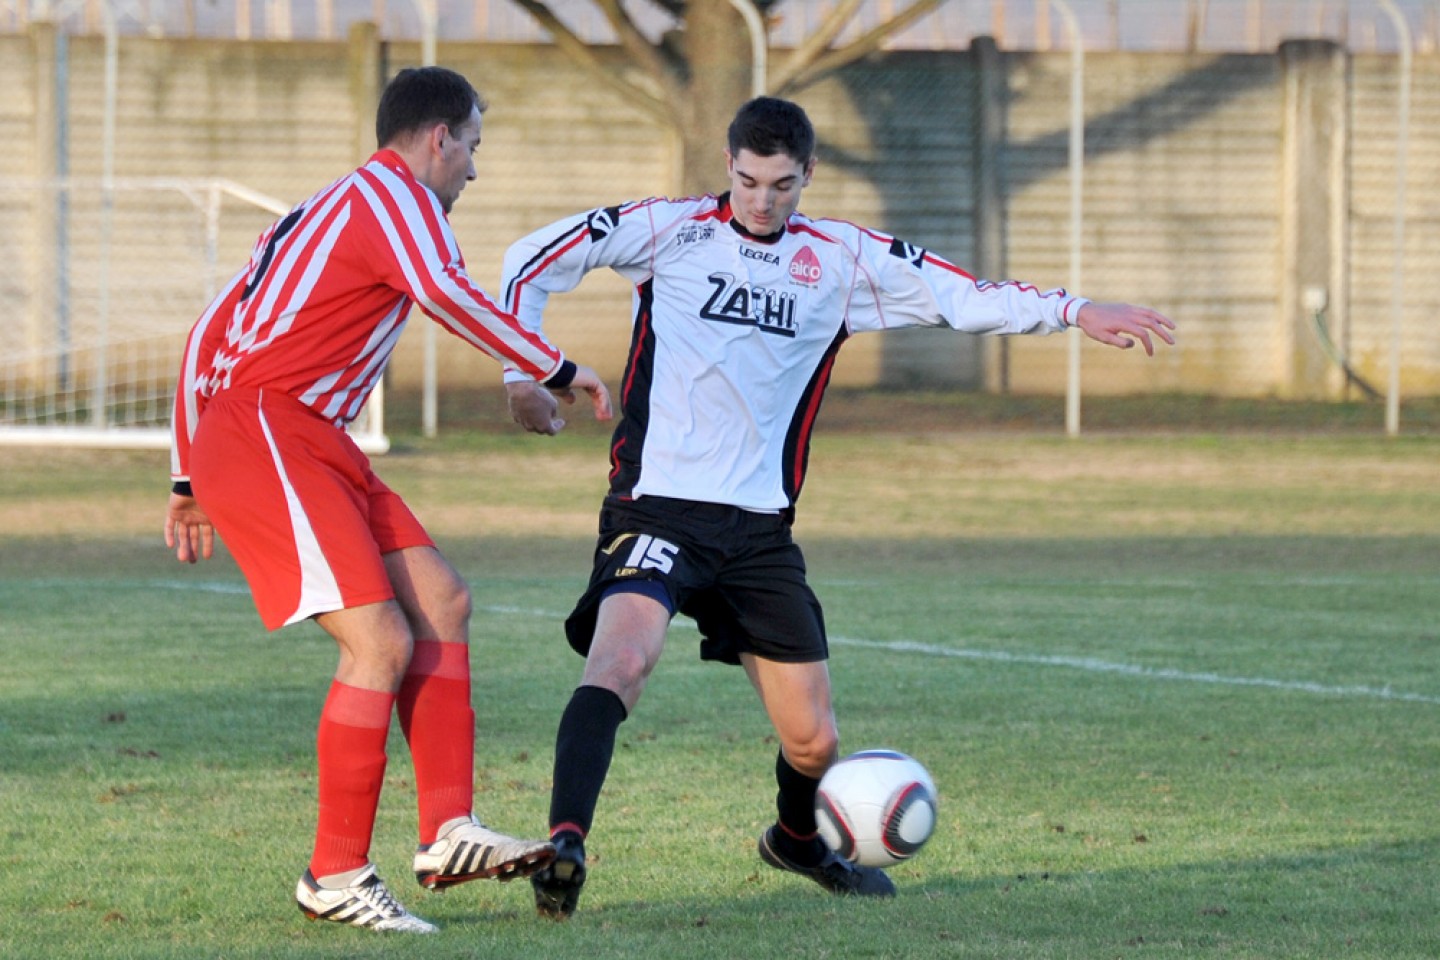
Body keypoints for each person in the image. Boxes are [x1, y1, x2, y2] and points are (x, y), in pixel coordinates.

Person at [500, 96, 1176, 920]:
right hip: (658, 510)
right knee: (620, 662)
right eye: (748, 182)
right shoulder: (666, 230)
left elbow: (966, 297)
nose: (762, 201)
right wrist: (521, 372)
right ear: (728, 166)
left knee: (815, 741)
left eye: (782, 185)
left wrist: (1075, 310)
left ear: (808, 175)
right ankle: (564, 843)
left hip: (758, 534)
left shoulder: (845, 260)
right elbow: (531, 258)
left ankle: (795, 841)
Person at [163, 66, 613, 935]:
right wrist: (554, 366)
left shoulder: (320, 207)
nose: (474, 171)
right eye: (474, 147)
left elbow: (206, 332)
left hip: (305, 437)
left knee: (442, 599)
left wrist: (186, 479)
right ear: (437, 139)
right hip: (271, 428)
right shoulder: (393, 198)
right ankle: (333, 874)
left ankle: (447, 830)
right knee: (380, 640)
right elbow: (446, 292)